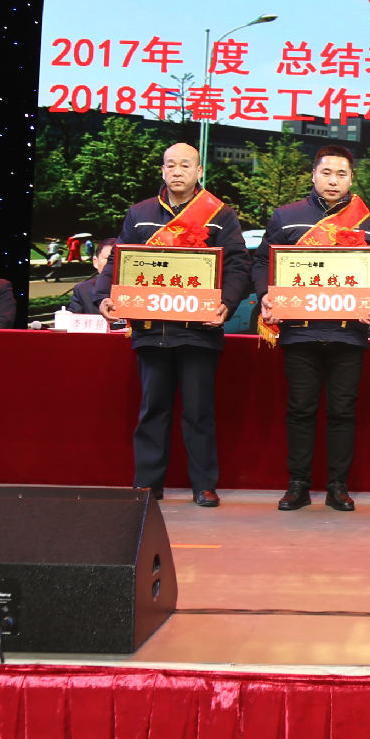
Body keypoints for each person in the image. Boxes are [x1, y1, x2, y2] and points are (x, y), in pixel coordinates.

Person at [101, 143, 252, 508]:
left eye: (186, 165)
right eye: (171, 165)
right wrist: (105, 296)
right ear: (163, 171)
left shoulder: (220, 214)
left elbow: (238, 265)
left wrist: (227, 302)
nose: (178, 171)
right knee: (153, 410)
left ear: (199, 171)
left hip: (199, 331)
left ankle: (204, 486)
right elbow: (119, 261)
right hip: (151, 329)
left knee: (199, 412)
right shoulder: (140, 214)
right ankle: (147, 485)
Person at [253, 144, 370, 513]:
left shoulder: (368, 223)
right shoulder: (286, 217)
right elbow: (262, 261)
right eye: (326, 173)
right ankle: (298, 484)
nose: (333, 180)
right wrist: (265, 294)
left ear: (351, 179)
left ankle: (338, 486)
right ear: (314, 175)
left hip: (348, 332)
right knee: (300, 409)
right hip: (300, 330)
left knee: (342, 410)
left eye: (341, 174)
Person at [65, 242, 116, 317]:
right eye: (109, 259)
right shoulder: (82, 290)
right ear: (95, 262)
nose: (115, 264)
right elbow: (74, 318)